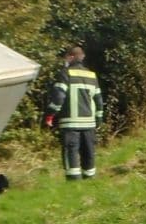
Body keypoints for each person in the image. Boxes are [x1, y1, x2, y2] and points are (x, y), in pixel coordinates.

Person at [43, 46, 104, 179]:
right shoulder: (92, 75)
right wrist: (98, 120)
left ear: (70, 57)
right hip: (89, 123)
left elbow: (59, 97)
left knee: (71, 153)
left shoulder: (65, 73)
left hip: (70, 124)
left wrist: (49, 115)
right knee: (89, 153)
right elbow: (99, 100)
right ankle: (90, 181)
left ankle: (73, 184)